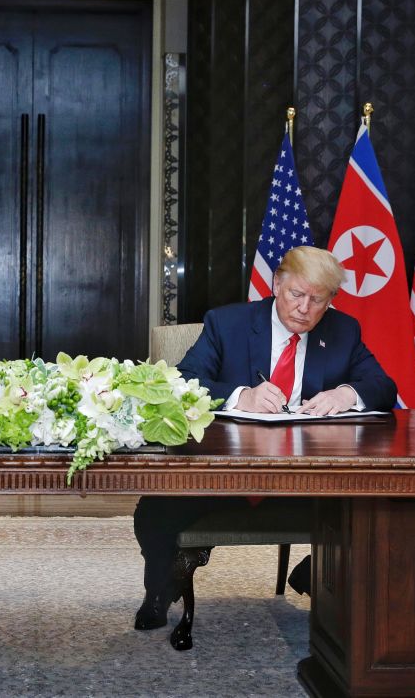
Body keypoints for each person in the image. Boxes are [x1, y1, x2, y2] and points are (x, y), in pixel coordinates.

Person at [133, 246, 397, 630]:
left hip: (309, 478)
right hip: (225, 470)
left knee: (377, 507)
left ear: (330, 301)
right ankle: (158, 590)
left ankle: (317, 573)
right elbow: (183, 382)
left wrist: (347, 394)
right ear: (277, 283)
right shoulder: (228, 324)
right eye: (296, 294)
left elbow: (384, 388)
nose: (304, 308)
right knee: (154, 510)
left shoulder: (343, 331)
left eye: (317, 300)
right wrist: (242, 395)